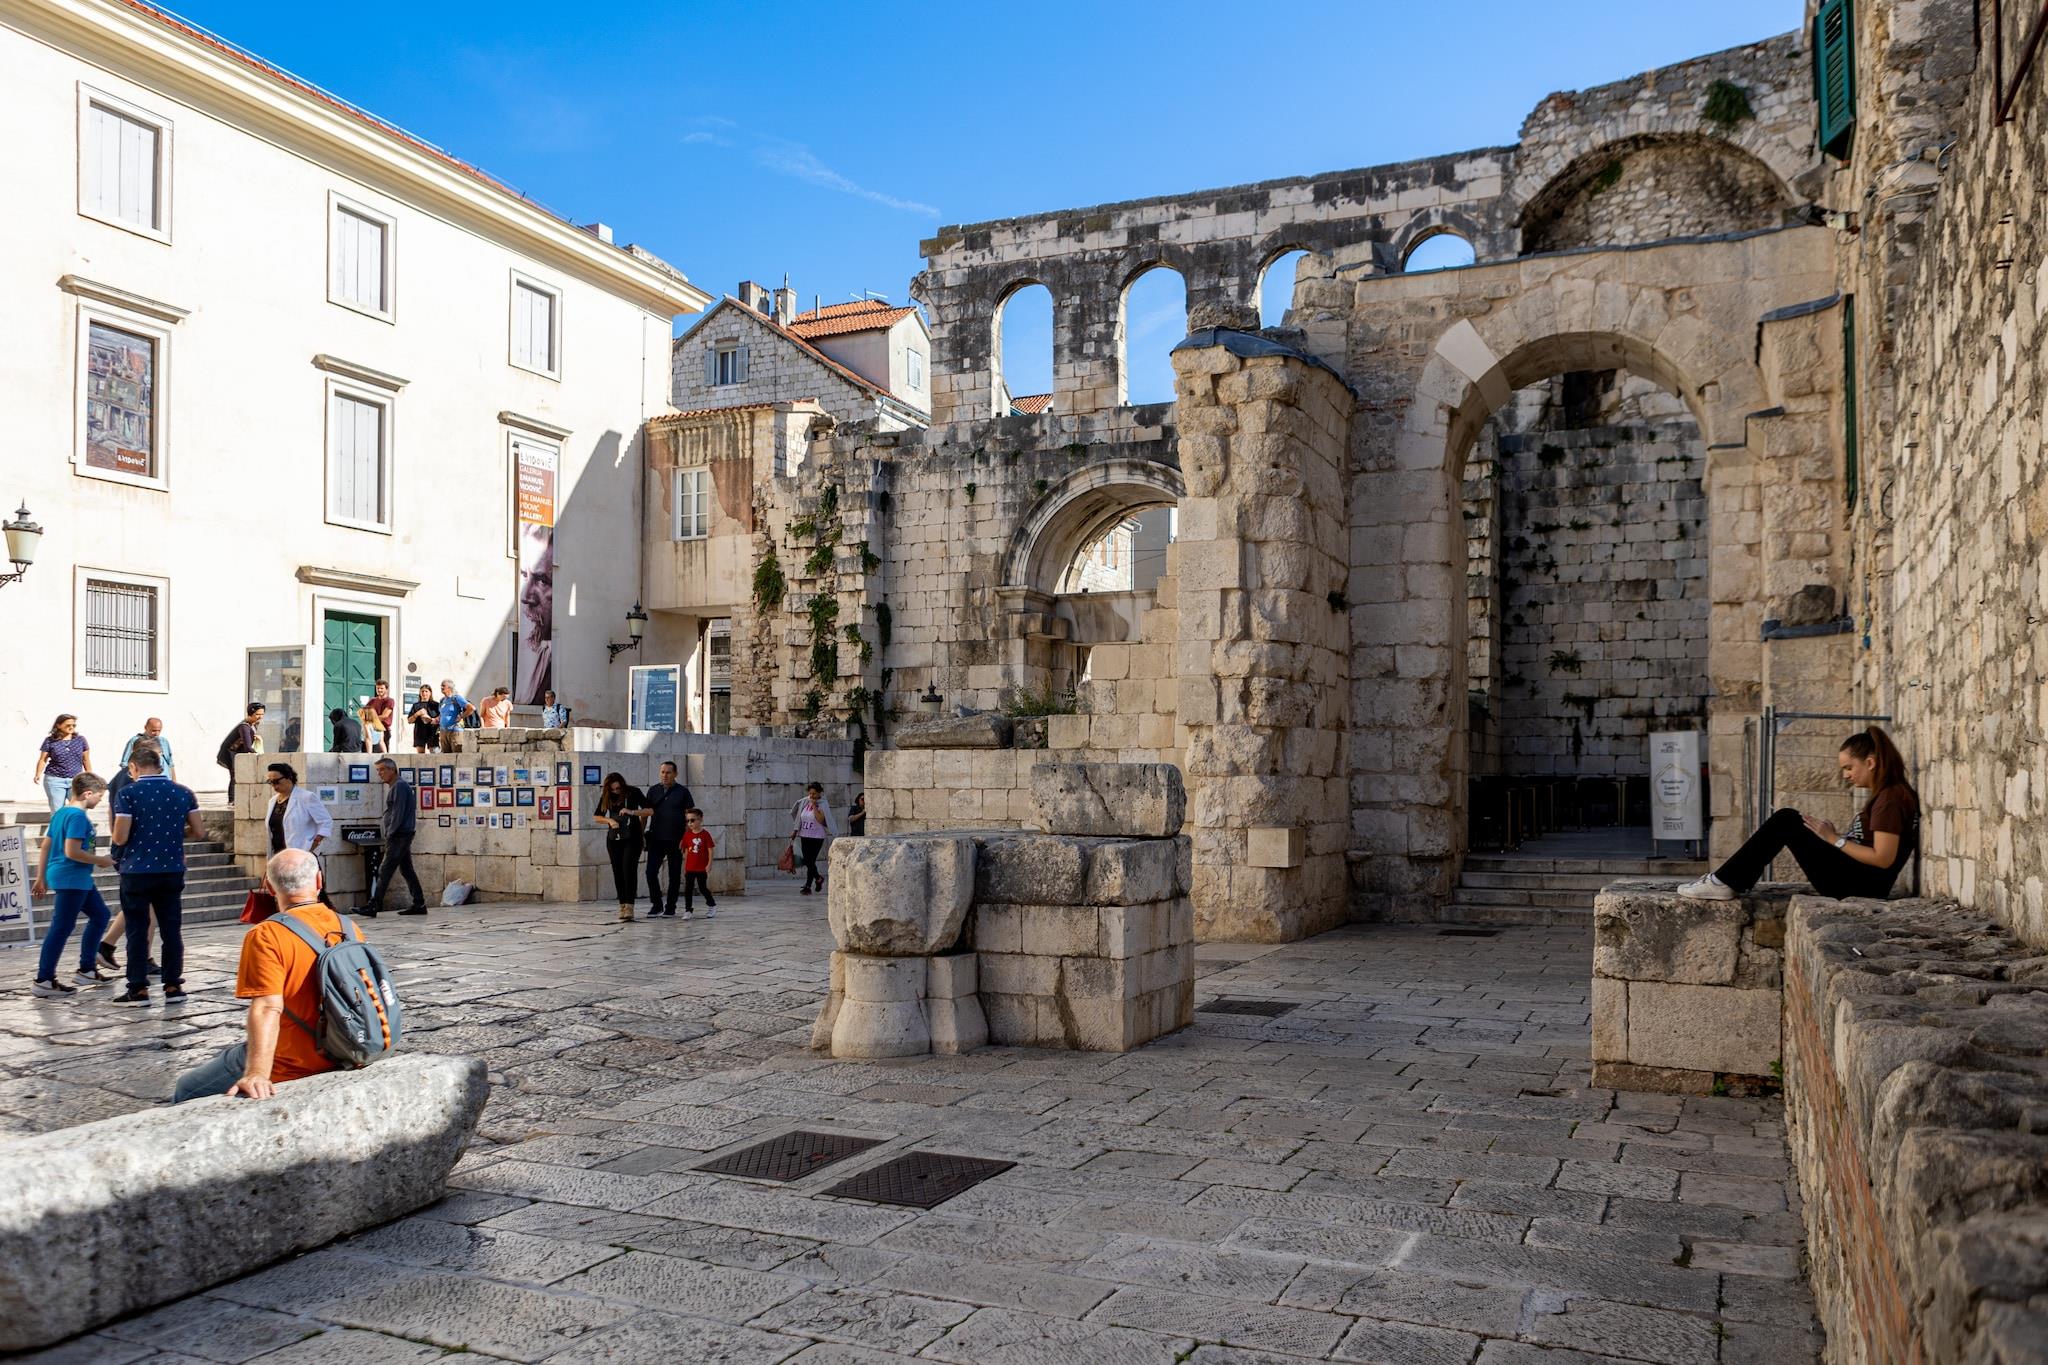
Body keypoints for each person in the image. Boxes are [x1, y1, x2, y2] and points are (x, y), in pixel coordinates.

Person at [171, 849, 367, 1102]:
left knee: (186, 1088)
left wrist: (257, 1073)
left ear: (270, 888)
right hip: (348, 1048)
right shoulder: (348, 927)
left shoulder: (266, 935)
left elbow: (267, 1007)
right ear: (319, 881)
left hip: (291, 1060)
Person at [1680, 726, 1921, 902]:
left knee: (1786, 820)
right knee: (1790, 821)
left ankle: (1724, 882)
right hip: (1856, 878)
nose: (1846, 775)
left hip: (1859, 886)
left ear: (1870, 763)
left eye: (1849, 767)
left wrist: (1833, 840)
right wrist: (1834, 837)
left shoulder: (1891, 799)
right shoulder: (1889, 795)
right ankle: (1726, 880)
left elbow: (1883, 858)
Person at [109, 742, 203, 1006]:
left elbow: (120, 836)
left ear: (134, 767)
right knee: (171, 929)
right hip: (171, 869)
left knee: (137, 930)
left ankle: (138, 989)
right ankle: (173, 986)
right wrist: (169, 832)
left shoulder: (128, 794)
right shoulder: (183, 792)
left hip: (137, 870)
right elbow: (198, 831)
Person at [29, 772, 116, 996]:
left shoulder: (61, 813)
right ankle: (44, 980)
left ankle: (87, 969)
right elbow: (72, 851)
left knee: (100, 915)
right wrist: (101, 860)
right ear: (87, 794)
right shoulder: (77, 817)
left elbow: (46, 846)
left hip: (74, 877)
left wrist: (41, 877)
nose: (100, 800)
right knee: (61, 928)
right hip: (72, 878)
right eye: (99, 796)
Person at [263, 763, 335, 907]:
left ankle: (324, 916)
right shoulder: (273, 801)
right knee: (283, 896)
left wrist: (313, 845)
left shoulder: (306, 797)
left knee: (310, 894)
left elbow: (325, 822)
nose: (274, 786)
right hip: (279, 856)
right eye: (270, 782)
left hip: (301, 854)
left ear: (289, 778)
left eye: (277, 781)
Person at [364, 758, 426, 917]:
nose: (379, 773)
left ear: (392, 770)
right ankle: (419, 903)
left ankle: (374, 905)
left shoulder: (399, 786)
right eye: (378, 770)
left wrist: (390, 832)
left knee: (385, 870)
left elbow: (398, 812)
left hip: (399, 835)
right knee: (407, 870)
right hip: (401, 834)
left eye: (382, 769)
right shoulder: (398, 786)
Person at [639, 760, 696, 917]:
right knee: (650, 872)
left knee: (674, 875)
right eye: (662, 772)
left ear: (675, 774)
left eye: (668, 772)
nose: (665, 775)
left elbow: (690, 817)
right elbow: (645, 813)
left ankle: (670, 907)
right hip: (656, 838)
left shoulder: (683, 792)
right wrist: (640, 834)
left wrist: (686, 837)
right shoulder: (653, 791)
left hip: (676, 839)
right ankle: (656, 905)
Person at [594, 772, 644, 923]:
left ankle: (630, 906)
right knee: (618, 872)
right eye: (612, 789)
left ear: (622, 785)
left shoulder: (633, 792)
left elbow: (650, 810)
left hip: (633, 837)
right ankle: (622, 905)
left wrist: (632, 812)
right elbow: (597, 816)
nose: (616, 791)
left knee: (629, 870)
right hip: (614, 838)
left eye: (618, 788)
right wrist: (609, 820)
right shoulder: (607, 796)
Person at [33, 714, 91, 812]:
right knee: (57, 811)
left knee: (79, 810)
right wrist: (38, 774)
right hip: (54, 780)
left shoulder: (80, 740)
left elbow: (86, 759)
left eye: (73, 725)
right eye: (68, 725)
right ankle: (59, 823)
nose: (71, 727)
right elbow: (43, 759)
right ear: (58, 725)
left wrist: (90, 776)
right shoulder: (50, 741)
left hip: (76, 780)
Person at [110, 718, 175, 803]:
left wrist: (174, 782)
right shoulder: (135, 741)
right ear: (145, 727)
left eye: (159, 731)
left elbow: (170, 764)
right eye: (153, 730)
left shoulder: (164, 741)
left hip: (164, 784)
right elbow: (125, 763)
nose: (156, 734)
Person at [791, 782, 838, 896]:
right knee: (808, 861)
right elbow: (799, 817)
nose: (811, 796)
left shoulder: (822, 804)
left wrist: (814, 806)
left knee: (810, 861)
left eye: (814, 794)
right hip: (805, 834)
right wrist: (795, 830)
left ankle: (808, 885)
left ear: (819, 793)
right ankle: (818, 878)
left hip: (817, 836)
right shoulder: (804, 802)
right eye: (810, 793)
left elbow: (820, 819)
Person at [216, 702, 265, 803]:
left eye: (262, 714)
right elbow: (247, 747)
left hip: (236, 753)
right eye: (257, 714)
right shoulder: (244, 726)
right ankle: (232, 800)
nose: (260, 717)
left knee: (237, 776)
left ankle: (236, 799)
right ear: (250, 714)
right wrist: (258, 754)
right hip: (230, 753)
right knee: (235, 776)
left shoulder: (253, 725)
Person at [681, 808, 716, 919]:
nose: (690, 823)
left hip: (701, 868)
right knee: (688, 889)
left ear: (700, 819)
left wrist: (709, 864)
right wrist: (685, 866)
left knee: (702, 888)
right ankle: (688, 910)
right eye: (687, 821)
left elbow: (710, 850)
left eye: (692, 820)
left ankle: (712, 905)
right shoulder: (687, 835)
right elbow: (686, 851)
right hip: (690, 868)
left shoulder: (705, 834)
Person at [360, 681, 395, 754]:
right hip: (370, 729)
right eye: (377, 688)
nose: (379, 690)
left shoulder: (389, 701)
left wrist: (370, 719)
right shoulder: (373, 700)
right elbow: (364, 712)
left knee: (381, 754)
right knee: (367, 752)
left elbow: (385, 716)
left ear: (386, 689)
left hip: (383, 729)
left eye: (381, 688)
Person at [436, 680, 470, 752]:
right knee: (445, 756)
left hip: (455, 731)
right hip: (443, 731)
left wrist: (461, 717)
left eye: (443, 686)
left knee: (456, 754)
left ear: (449, 688)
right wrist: (437, 719)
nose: (441, 687)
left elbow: (471, 708)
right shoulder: (442, 700)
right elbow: (442, 713)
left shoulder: (456, 698)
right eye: (441, 686)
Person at [407, 684, 439, 754]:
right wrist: (417, 714)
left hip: (433, 733)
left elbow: (440, 717)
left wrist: (431, 719)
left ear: (430, 693)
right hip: (419, 732)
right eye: (422, 691)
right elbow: (409, 721)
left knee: (435, 754)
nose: (424, 693)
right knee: (420, 756)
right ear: (420, 693)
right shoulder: (416, 705)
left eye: (426, 691)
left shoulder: (436, 705)